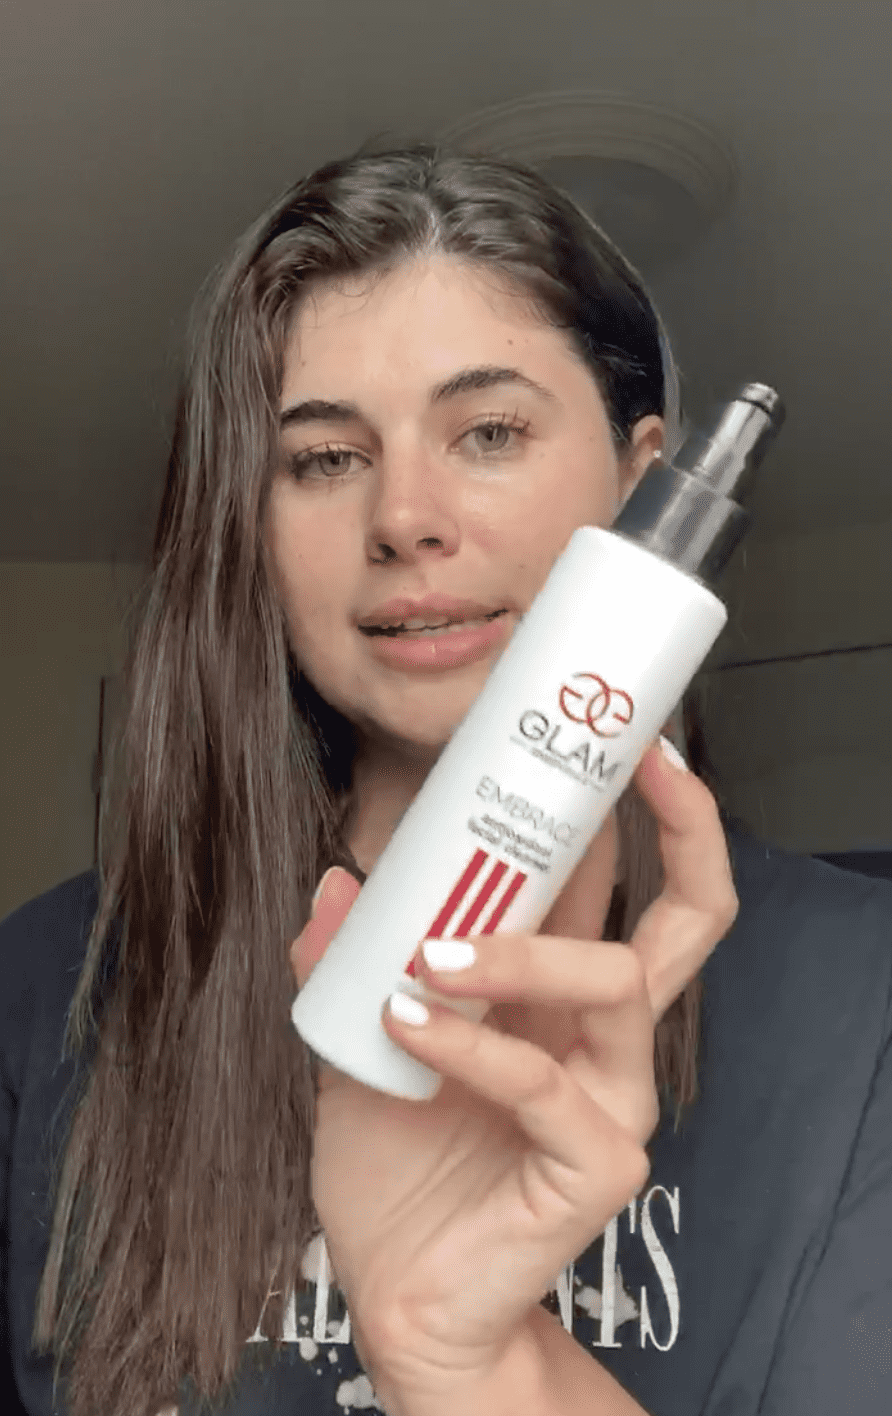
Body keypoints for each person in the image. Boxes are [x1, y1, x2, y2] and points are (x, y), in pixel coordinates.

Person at [1, 144, 890, 1416]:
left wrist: (471, 1363)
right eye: (323, 457)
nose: (404, 517)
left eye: (488, 432)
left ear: (640, 487)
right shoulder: (47, 986)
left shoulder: (862, 994)